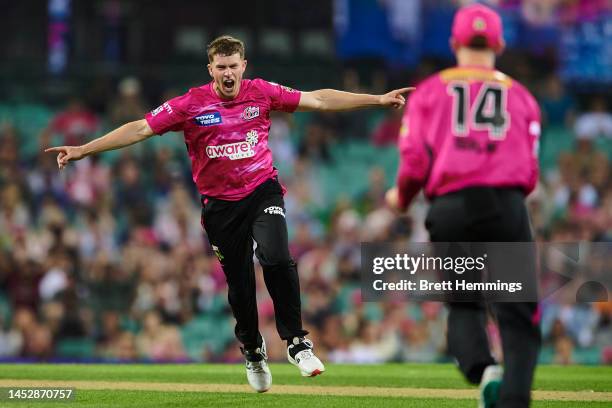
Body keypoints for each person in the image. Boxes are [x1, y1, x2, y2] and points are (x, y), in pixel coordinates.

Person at [45, 35, 412, 393]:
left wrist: (376, 99)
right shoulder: (190, 104)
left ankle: (297, 342)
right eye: (221, 67)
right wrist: (84, 149)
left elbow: (317, 99)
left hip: (261, 190)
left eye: (233, 66)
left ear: (243, 66)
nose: (228, 73)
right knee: (239, 286)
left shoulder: (262, 91)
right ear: (211, 69)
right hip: (220, 206)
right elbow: (141, 127)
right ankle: (253, 352)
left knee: (277, 256)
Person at [386, 4, 541, 408]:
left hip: (451, 206)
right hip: (506, 204)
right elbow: (531, 171)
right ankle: (514, 399)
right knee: (518, 316)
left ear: (454, 43)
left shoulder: (430, 91)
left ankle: (483, 371)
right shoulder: (522, 96)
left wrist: (400, 198)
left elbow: (415, 162)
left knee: (464, 306)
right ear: (500, 44)